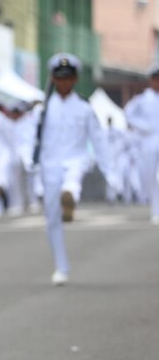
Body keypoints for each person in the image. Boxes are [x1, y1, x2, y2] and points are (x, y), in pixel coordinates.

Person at [32, 53, 109, 286]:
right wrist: (31, 165)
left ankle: (71, 197)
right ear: (53, 79)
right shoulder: (42, 109)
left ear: (74, 79)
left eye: (68, 77)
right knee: (52, 219)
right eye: (59, 77)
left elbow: (98, 139)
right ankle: (61, 267)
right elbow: (32, 138)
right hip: (50, 163)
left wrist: (108, 168)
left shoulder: (85, 107)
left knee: (72, 180)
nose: (63, 82)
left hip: (76, 158)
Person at [124, 64, 159, 224]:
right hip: (148, 143)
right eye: (155, 79)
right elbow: (128, 114)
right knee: (150, 178)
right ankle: (155, 209)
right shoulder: (142, 99)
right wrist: (142, 126)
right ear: (150, 80)